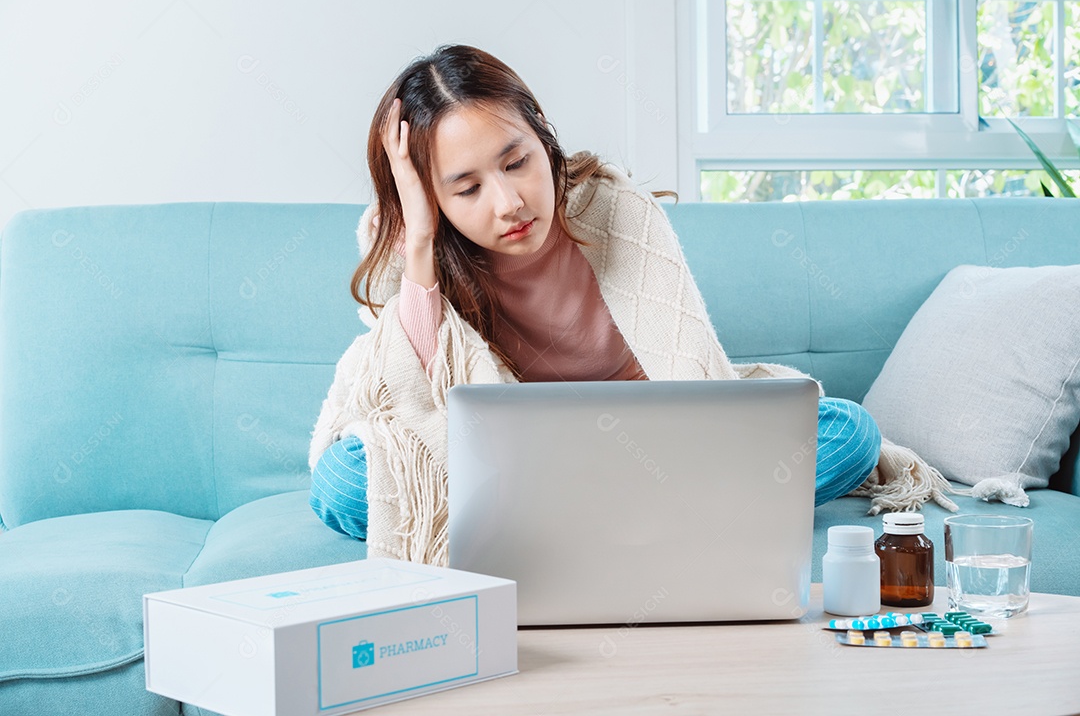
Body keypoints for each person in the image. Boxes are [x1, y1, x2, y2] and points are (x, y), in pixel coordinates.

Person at [308, 45, 955, 560]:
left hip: (648, 455)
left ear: (542, 138)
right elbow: (421, 405)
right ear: (431, 195)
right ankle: (648, 524)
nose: (507, 203)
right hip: (519, 470)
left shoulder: (613, 212)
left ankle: (569, 534)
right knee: (344, 481)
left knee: (851, 432)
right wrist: (419, 238)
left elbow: (692, 376)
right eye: (467, 187)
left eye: (516, 163)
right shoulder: (420, 255)